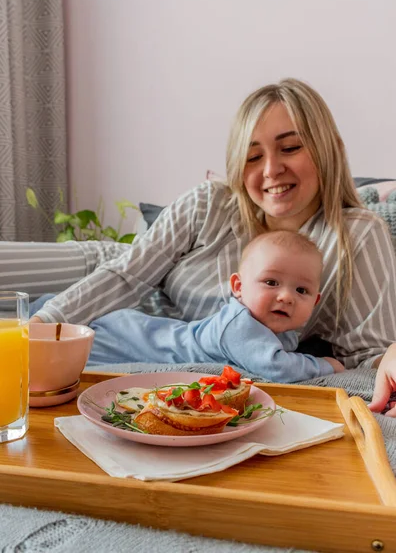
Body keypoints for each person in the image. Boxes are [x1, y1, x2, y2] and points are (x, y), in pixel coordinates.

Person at [25, 78, 396, 414]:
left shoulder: (358, 235)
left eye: (291, 148)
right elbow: (127, 274)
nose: (270, 170)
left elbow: (369, 357)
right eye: (253, 156)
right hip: (125, 321)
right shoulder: (208, 204)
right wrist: (45, 323)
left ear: (328, 149)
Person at [87, 230, 344, 382]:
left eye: (301, 290)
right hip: (131, 339)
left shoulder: (280, 326)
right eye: (271, 282)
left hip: (152, 332)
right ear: (238, 286)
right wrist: (326, 365)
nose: (287, 296)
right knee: (84, 348)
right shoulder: (240, 325)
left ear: (315, 301)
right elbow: (276, 368)